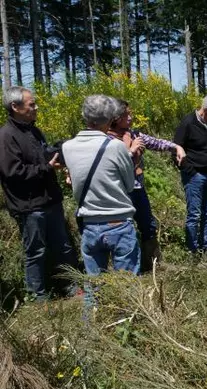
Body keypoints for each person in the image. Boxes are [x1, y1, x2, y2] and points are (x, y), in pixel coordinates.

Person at [0, 86, 78, 301]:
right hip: (29, 205)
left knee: (63, 247)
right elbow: (12, 172)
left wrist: (56, 158)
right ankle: (38, 297)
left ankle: (70, 287)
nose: (36, 107)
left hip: (50, 200)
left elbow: (42, 157)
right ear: (15, 107)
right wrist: (46, 167)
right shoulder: (6, 136)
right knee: (35, 252)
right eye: (31, 104)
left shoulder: (34, 130)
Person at [63, 95, 139, 279]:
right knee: (126, 287)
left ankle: (93, 310)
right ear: (111, 118)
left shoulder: (67, 146)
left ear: (84, 115)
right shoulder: (116, 146)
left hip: (89, 224)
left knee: (94, 288)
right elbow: (130, 185)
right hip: (118, 223)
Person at [108, 99, 186, 272]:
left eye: (130, 113)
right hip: (119, 192)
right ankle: (123, 271)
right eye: (126, 114)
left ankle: (153, 264)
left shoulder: (134, 134)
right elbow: (112, 165)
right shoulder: (106, 139)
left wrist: (176, 147)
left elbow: (157, 143)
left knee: (148, 225)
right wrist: (131, 150)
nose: (130, 117)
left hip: (137, 188)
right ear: (115, 117)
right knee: (122, 228)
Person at [174, 92, 207, 254]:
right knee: (194, 215)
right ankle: (193, 250)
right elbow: (175, 148)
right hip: (194, 177)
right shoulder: (188, 123)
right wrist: (190, 171)